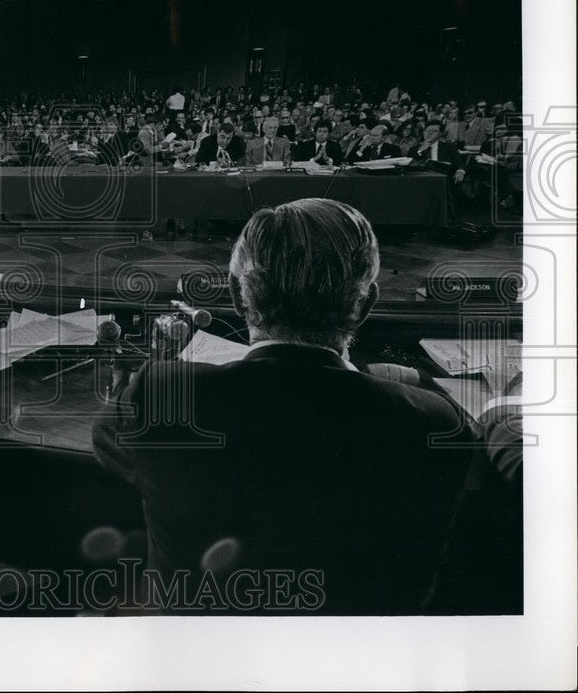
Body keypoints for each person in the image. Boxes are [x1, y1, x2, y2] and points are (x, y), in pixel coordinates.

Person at [93, 198, 475, 614]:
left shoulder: (159, 394)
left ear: (239, 298)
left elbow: (110, 442)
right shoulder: (432, 421)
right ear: (365, 306)